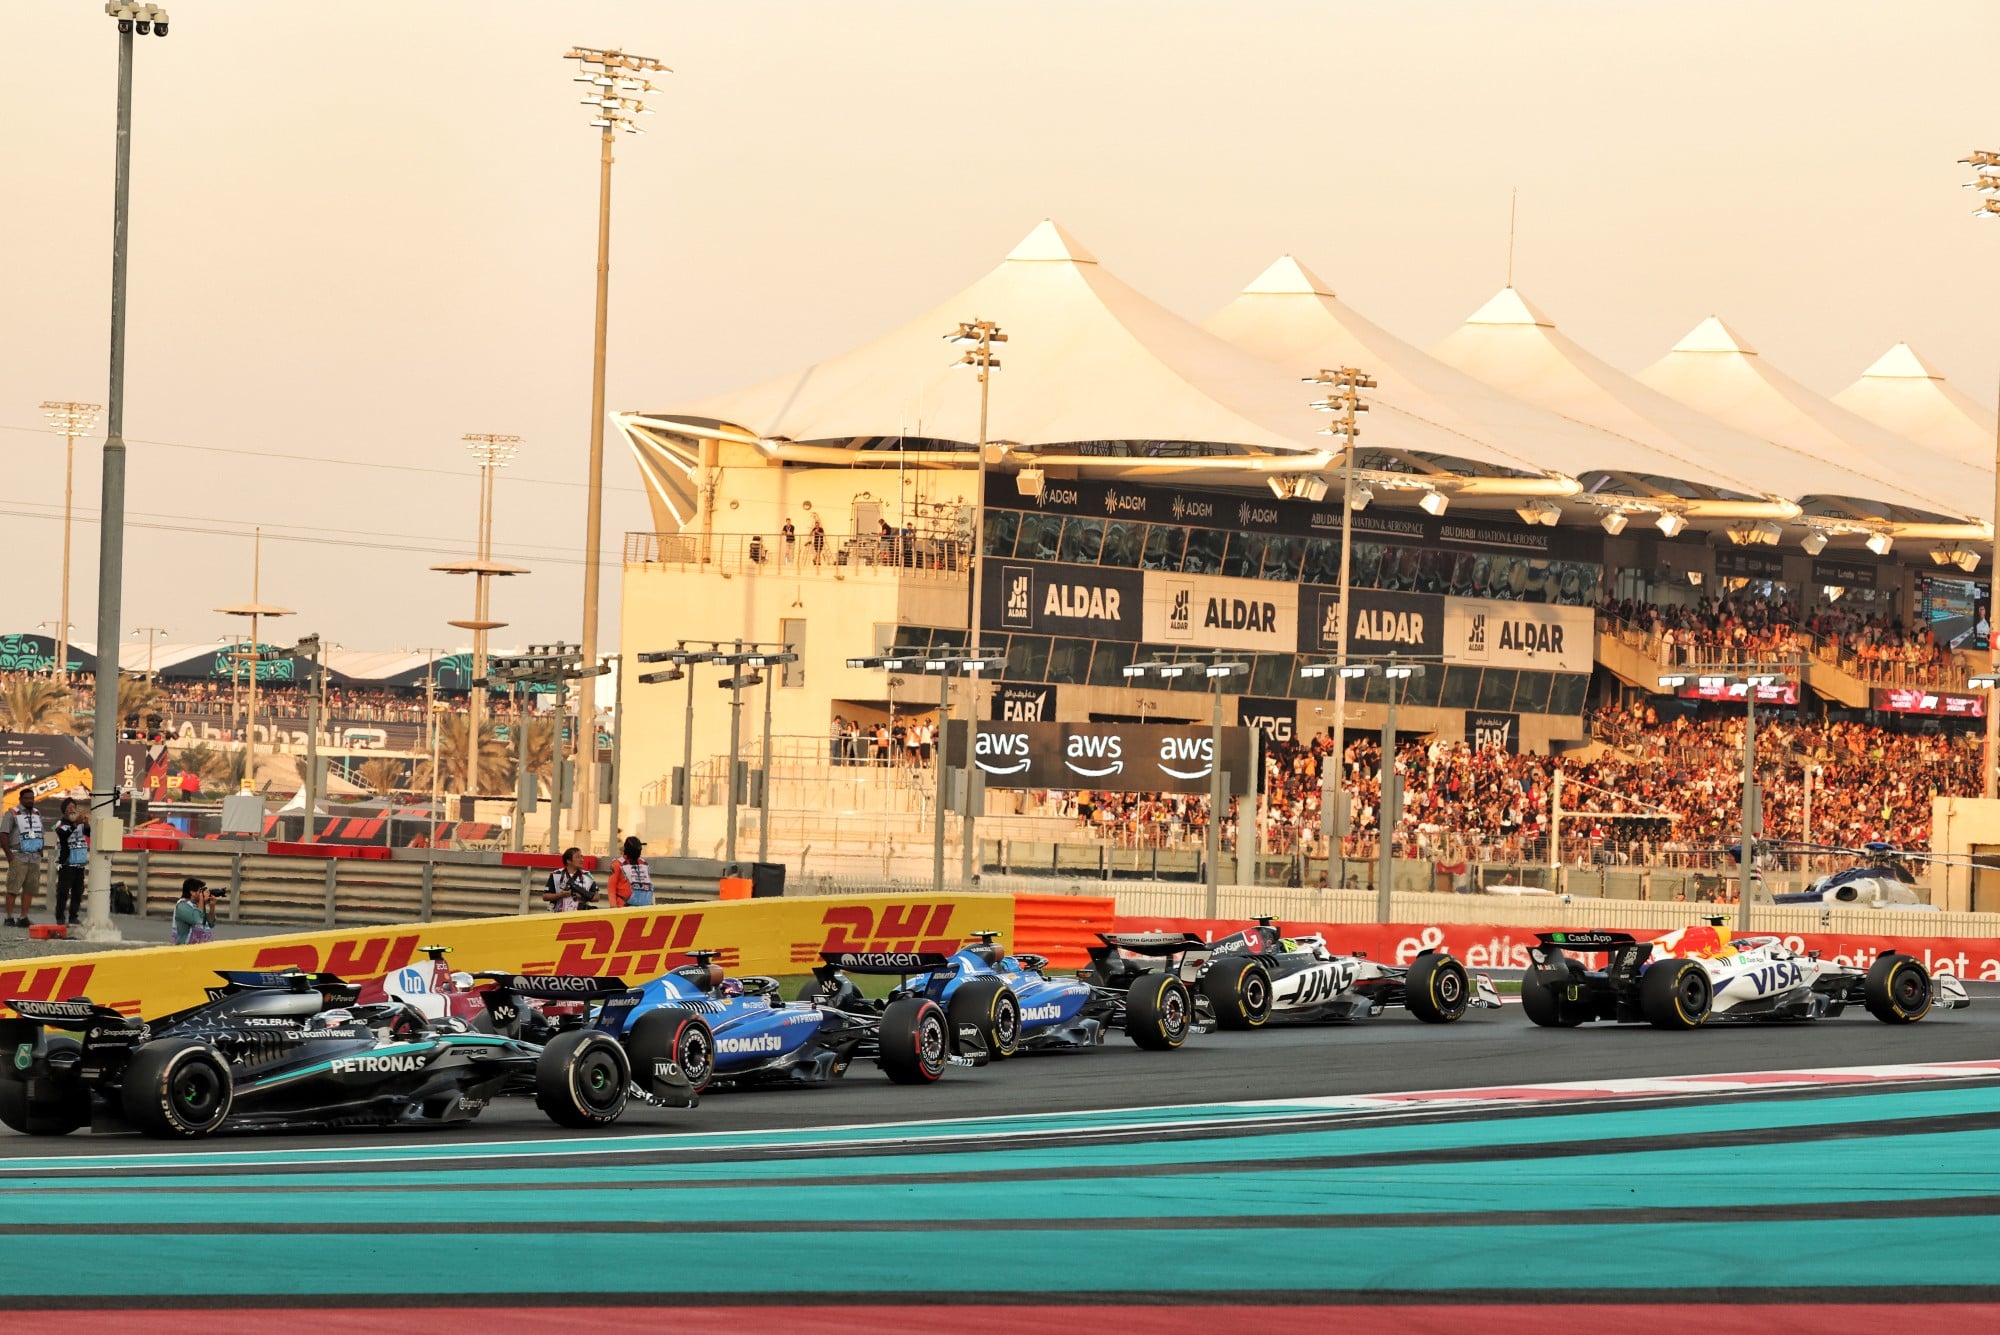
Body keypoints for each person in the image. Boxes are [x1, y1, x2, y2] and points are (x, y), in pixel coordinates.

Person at [2, 792, 47, 928]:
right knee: (13, 889)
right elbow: (3, 834)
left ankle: (23, 917)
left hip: (34, 858)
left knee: (29, 889)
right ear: (20, 799)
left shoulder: (37, 814)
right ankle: (9, 917)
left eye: (31, 798)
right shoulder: (12, 813)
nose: (29, 800)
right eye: (26, 798)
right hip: (18, 856)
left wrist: (40, 849)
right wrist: (9, 855)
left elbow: (41, 833)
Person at [53, 798, 89, 927]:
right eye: (69, 807)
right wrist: (74, 825)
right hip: (66, 863)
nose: (72, 809)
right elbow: (62, 836)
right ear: (64, 811)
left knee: (77, 892)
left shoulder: (80, 824)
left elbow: (90, 834)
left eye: (74, 807)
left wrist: (86, 823)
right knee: (63, 892)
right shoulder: (59, 823)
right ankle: (60, 918)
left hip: (79, 863)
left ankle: (73, 917)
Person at [542, 847, 596, 912]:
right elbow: (545, 897)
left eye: (582, 857)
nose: (582, 860)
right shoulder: (556, 874)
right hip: (558, 915)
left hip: (580, 915)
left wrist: (582, 896)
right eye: (578, 857)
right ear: (568, 861)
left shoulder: (587, 875)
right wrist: (560, 895)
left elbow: (597, 897)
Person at [608, 835, 655, 908]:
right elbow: (611, 887)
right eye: (637, 849)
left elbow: (649, 884)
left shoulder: (644, 863)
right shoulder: (617, 864)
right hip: (624, 906)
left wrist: (653, 904)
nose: (639, 851)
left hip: (645, 906)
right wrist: (613, 906)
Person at [173, 877, 215, 945]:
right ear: (192, 892)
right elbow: (196, 920)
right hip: (186, 948)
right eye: (200, 891)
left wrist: (212, 907)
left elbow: (211, 923)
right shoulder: (182, 906)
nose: (202, 893)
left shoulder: (197, 905)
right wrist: (201, 901)